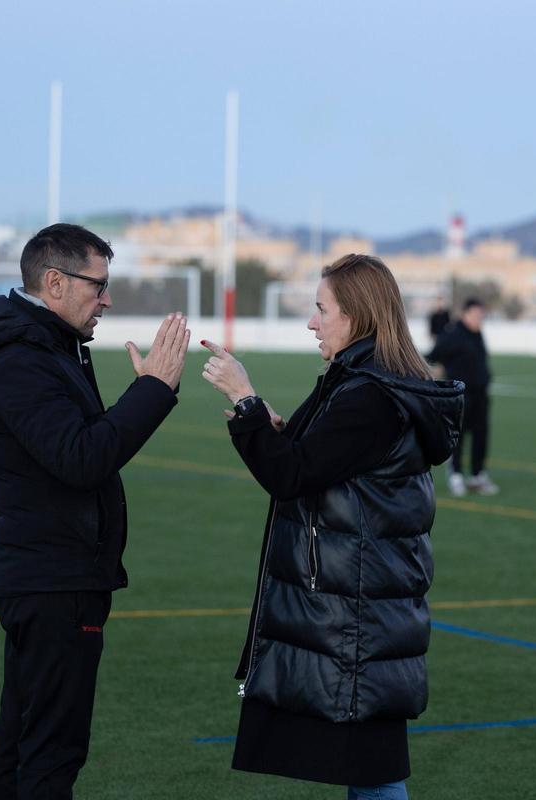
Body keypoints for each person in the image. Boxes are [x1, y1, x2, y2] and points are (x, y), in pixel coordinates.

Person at [199, 253, 463, 799]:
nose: (312, 322)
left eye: (322, 310)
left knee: (373, 771)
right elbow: (314, 459)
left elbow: (291, 474)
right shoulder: (364, 380)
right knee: (368, 769)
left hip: (358, 611)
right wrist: (270, 424)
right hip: (361, 604)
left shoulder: (370, 393)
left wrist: (244, 398)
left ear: (358, 316)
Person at [0, 223, 190, 799]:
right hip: (53, 580)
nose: (106, 299)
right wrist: (153, 390)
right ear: (54, 283)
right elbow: (81, 459)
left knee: (25, 738)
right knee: (50, 751)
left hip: (48, 575)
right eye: (97, 285)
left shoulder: (44, 348)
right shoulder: (23, 363)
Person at [427, 297, 497, 497]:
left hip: (481, 394)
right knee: (458, 437)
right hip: (461, 397)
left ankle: (477, 476)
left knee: (481, 436)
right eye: (475, 315)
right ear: (465, 314)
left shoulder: (478, 334)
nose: (479, 319)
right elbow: (431, 357)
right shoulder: (453, 335)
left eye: (481, 316)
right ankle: (456, 476)